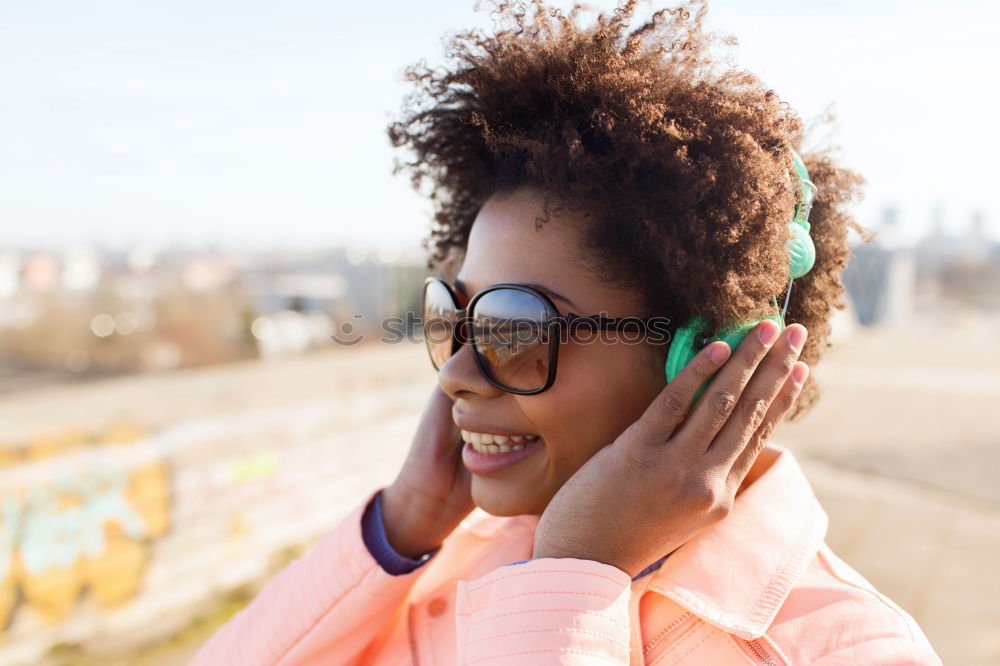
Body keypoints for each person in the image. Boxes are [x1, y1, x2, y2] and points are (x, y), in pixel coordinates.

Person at [190, 0, 942, 663]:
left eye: (514, 328)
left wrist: (573, 577)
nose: (455, 372)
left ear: (703, 362)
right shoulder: (458, 563)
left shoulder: (846, 650)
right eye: (455, 319)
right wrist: (403, 525)